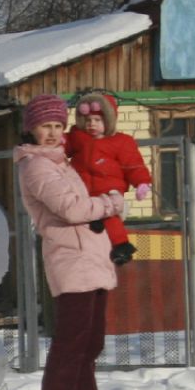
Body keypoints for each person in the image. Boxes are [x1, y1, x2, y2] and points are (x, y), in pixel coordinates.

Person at [14, 93, 129, 390]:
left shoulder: (62, 163)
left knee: (90, 342)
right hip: (70, 259)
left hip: (92, 258)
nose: (51, 133)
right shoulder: (36, 166)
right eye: (44, 126)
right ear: (30, 129)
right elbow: (73, 210)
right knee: (71, 343)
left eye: (56, 126)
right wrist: (111, 202)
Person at [64, 89, 150, 265]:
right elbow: (61, 145)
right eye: (88, 120)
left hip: (108, 191)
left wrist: (141, 183)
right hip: (83, 191)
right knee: (81, 218)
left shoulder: (120, 142)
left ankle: (121, 246)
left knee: (111, 218)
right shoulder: (78, 137)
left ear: (108, 121)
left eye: (97, 120)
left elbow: (133, 165)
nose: (92, 124)